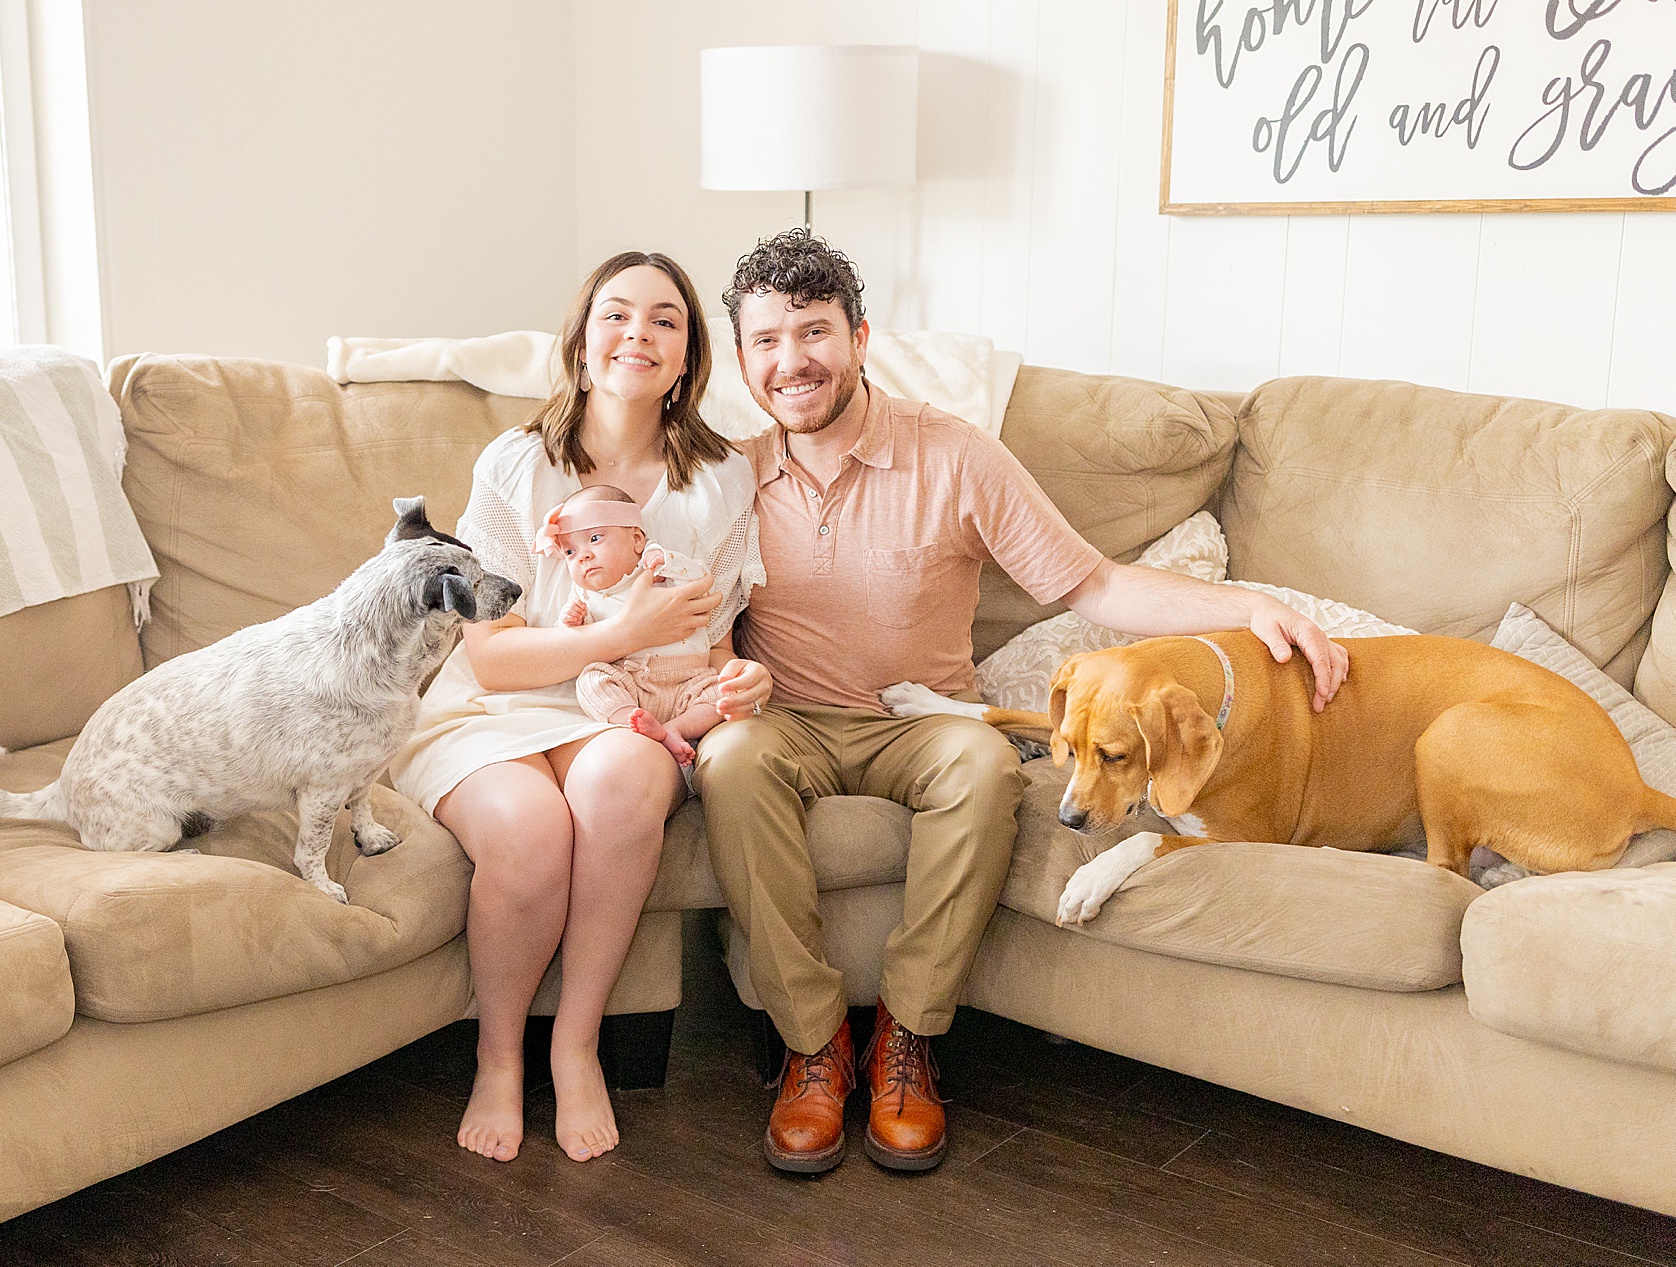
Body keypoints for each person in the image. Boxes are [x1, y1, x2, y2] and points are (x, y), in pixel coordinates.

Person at [692, 229, 1348, 1175]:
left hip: (923, 720)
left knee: (987, 764)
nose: (791, 361)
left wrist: (1249, 603)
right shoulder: (729, 474)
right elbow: (671, 592)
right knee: (728, 759)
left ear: (861, 337)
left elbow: (1094, 586)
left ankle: (909, 1042)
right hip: (783, 719)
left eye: (813, 331)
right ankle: (813, 1047)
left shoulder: (956, 456)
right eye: (766, 341)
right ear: (744, 359)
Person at [394, 251, 772, 1164]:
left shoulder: (719, 482)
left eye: (664, 321)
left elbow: (713, 647)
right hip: (499, 704)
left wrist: (738, 684)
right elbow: (492, 656)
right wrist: (618, 630)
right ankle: (498, 1058)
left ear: (689, 357)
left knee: (621, 785)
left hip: (629, 708)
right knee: (526, 830)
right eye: (616, 314)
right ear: (582, 336)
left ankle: (575, 1047)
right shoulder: (518, 464)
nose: (637, 334)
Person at [537, 485, 727, 765]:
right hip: (630, 681)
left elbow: (700, 580)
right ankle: (634, 725)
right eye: (569, 552)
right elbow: (576, 644)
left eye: (595, 538)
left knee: (721, 693)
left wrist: (668, 561)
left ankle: (678, 729)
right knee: (591, 680)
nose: (583, 556)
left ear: (637, 539)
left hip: (689, 677)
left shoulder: (657, 572)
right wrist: (571, 620)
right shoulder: (585, 596)